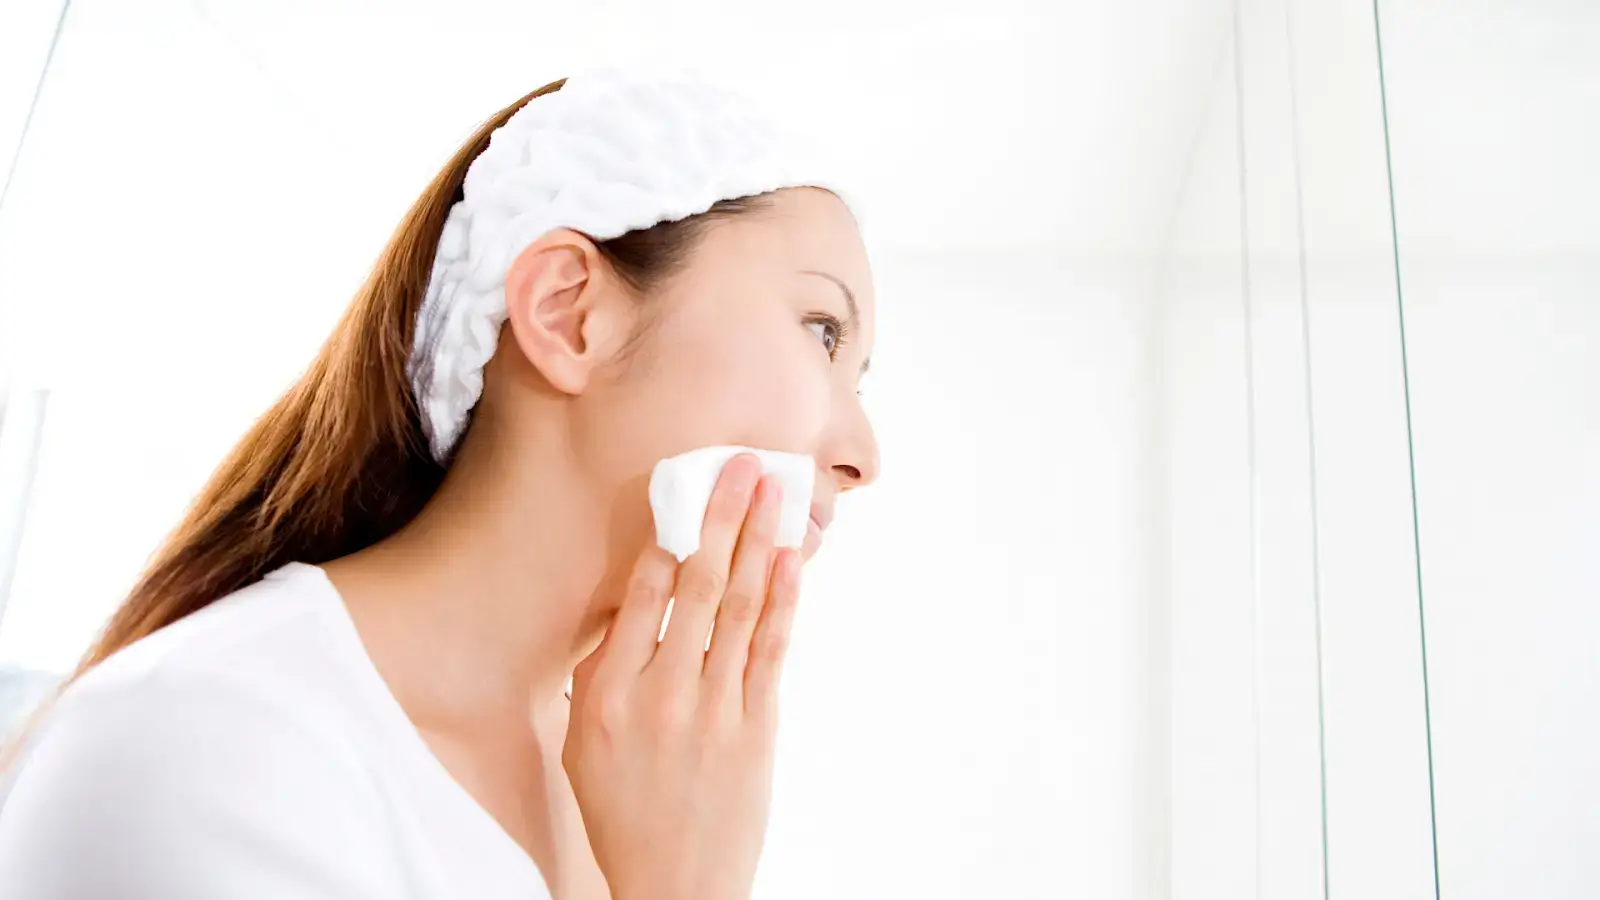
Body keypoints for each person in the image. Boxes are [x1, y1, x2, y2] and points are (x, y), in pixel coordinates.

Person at [0, 67, 878, 899]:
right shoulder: (214, 741)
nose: (863, 454)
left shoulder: (625, 802)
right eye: (823, 331)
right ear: (567, 314)